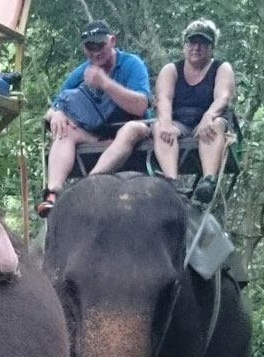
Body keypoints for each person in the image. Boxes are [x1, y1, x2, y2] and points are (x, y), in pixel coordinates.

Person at [38, 21, 152, 217]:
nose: (96, 52)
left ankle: (89, 184)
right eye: (91, 47)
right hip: (98, 135)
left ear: (112, 41)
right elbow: (52, 108)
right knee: (65, 129)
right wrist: (57, 114)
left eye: (100, 46)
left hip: (135, 132)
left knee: (131, 129)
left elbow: (141, 105)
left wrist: (106, 84)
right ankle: (53, 193)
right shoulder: (81, 72)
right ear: (84, 48)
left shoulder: (132, 64)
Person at [152, 19, 236, 203]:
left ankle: (209, 180)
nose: (196, 48)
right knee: (160, 128)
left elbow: (223, 97)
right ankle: (171, 181)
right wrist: (165, 121)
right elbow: (164, 98)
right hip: (179, 123)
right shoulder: (172, 69)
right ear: (185, 45)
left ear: (212, 47)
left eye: (203, 43)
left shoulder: (221, 68)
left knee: (214, 125)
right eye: (192, 42)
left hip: (206, 120)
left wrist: (209, 115)